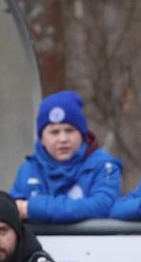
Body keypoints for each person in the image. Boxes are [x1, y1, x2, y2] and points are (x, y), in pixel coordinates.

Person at [9, 91, 122, 223]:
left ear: (82, 134)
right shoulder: (29, 169)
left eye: (70, 130)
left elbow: (104, 205)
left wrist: (34, 208)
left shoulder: (104, 166)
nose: (63, 139)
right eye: (54, 132)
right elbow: (11, 208)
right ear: (42, 139)